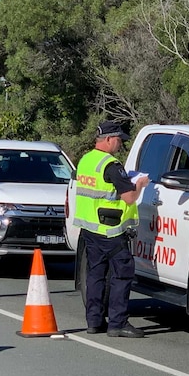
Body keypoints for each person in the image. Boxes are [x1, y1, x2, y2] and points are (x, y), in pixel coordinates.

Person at [73, 120, 150, 338]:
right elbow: (129, 197)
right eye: (118, 140)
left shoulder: (86, 161)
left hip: (89, 228)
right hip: (110, 230)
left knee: (96, 274)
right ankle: (118, 323)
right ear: (108, 139)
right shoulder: (111, 165)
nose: (120, 145)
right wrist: (140, 184)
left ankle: (94, 321)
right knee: (122, 274)